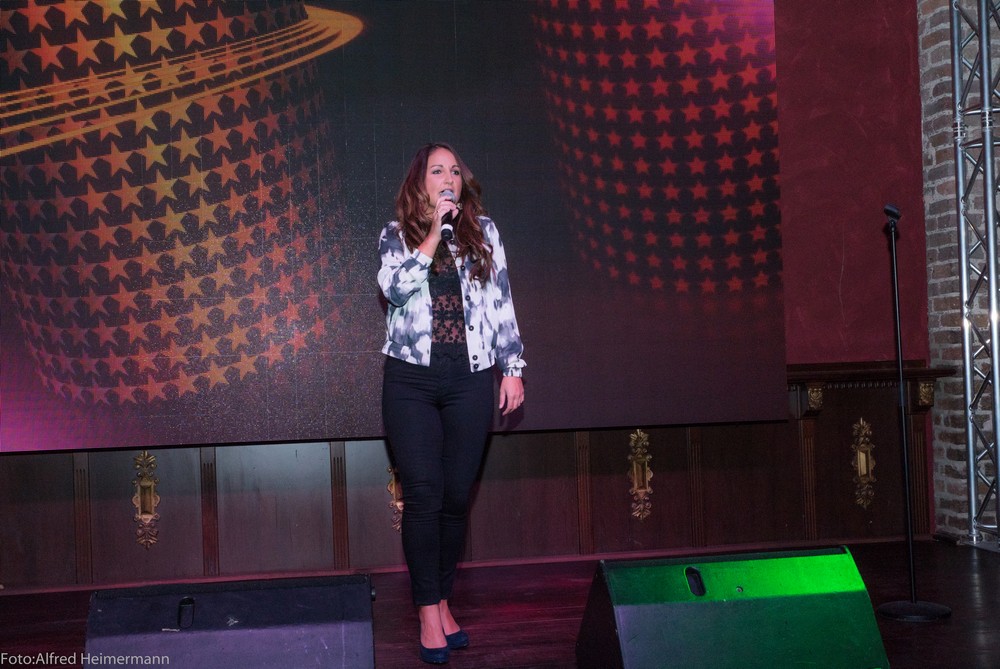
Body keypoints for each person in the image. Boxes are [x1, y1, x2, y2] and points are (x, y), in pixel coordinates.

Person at [377, 142, 526, 664]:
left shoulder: (483, 233)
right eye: (437, 171)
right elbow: (395, 289)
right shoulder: (396, 235)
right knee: (424, 494)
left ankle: (442, 600)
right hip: (411, 382)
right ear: (421, 183)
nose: (448, 178)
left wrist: (512, 367)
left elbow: (501, 301)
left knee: (456, 497)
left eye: (455, 171)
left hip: (469, 378)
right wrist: (432, 235)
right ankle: (426, 611)